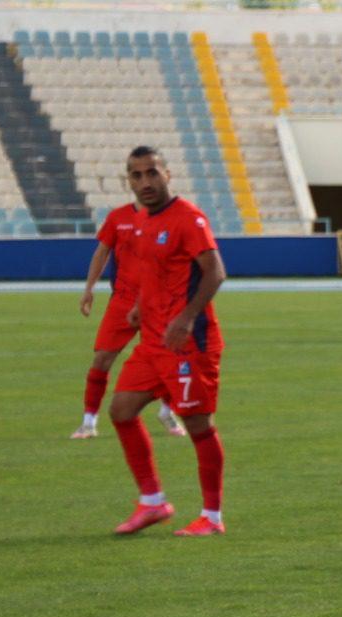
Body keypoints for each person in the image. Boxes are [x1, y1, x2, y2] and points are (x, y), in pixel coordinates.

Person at [108, 146, 229, 537]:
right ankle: (153, 502)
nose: (144, 182)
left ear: (167, 174)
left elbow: (215, 273)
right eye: (136, 175)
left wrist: (187, 316)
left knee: (199, 426)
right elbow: (153, 272)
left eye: (151, 173)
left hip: (188, 343)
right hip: (154, 341)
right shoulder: (143, 221)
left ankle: (211, 516)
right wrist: (141, 307)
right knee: (121, 410)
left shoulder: (189, 218)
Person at [73, 191, 184, 440]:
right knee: (101, 360)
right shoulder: (118, 218)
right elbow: (101, 252)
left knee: (169, 359)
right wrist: (89, 289)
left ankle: (167, 411)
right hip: (123, 301)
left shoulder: (170, 219)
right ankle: (88, 421)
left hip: (157, 303)